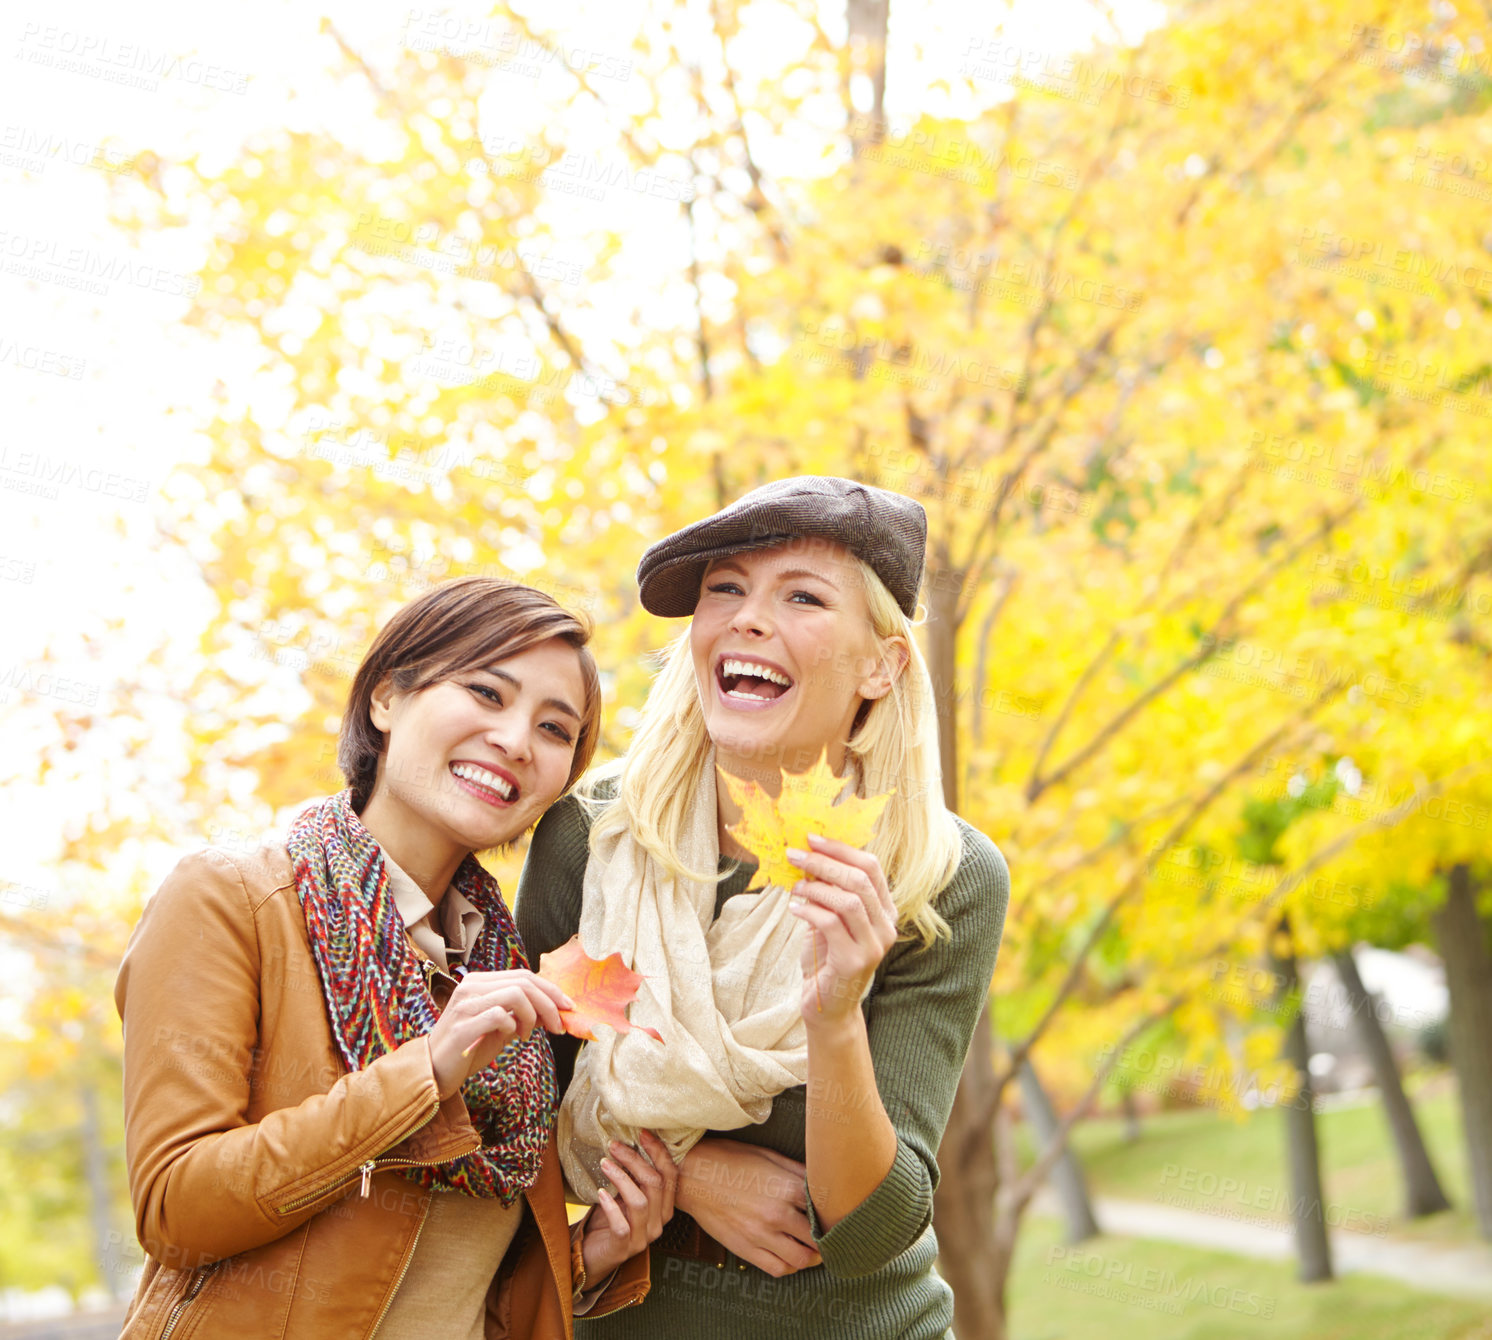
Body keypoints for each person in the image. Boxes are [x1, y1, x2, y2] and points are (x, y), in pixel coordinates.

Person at [115, 577, 675, 1340]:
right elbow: (176, 1208)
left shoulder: (501, 967)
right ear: (385, 699)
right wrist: (425, 1072)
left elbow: (449, 1289)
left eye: (555, 730)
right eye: (486, 692)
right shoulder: (230, 900)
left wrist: (591, 1255)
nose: (515, 740)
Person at [516, 477, 1010, 1337]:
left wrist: (836, 1016)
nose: (747, 618)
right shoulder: (589, 839)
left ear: (880, 665)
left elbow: (874, 1231)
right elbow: (517, 1115)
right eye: (726, 590)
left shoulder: (939, 874)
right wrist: (695, 1171)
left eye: (803, 596)